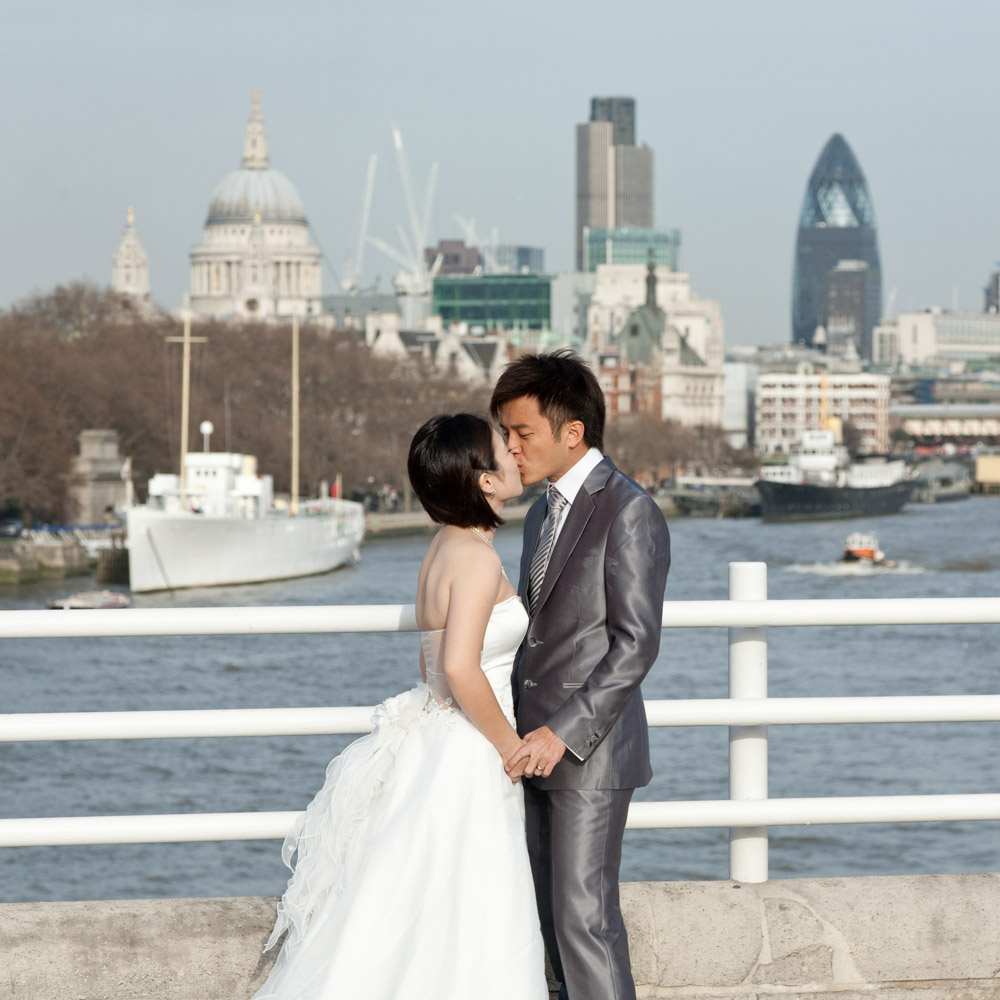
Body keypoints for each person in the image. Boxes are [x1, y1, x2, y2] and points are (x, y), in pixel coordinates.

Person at [252, 413, 547, 1000]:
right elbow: (460, 667)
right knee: (474, 912)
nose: (515, 452)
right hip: (471, 749)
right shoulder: (477, 559)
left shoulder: (443, 547)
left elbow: (431, 663)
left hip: (435, 737)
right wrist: (510, 746)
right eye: (502, 448)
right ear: (485, 481)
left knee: (414, 905)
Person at [491, 351, 670, 1000]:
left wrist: (559, 734)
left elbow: (635, 644)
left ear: (573, 432)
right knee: (546, 928)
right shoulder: (541, 512)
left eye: (521, 433)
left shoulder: (629, 510)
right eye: (505, 433)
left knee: (584, 923)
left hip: (587, 756)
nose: (509, 447)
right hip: (528, 749)